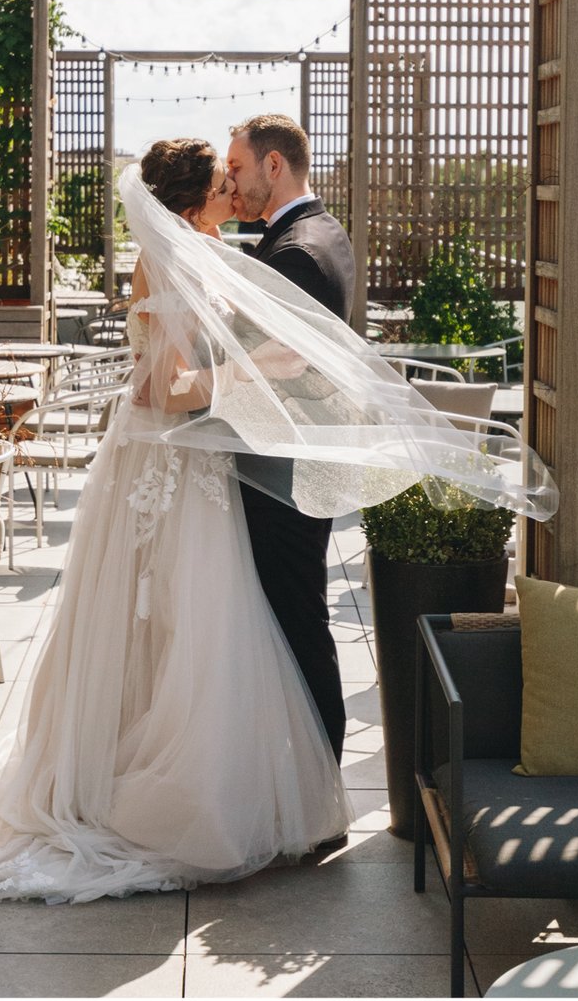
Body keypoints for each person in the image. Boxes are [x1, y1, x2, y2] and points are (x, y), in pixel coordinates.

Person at [0, 139, 553, 902]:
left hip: (198, 468)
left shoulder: (203, 249)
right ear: (196, 198)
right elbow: (164, 390)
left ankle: (211, 778)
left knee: (199, 628)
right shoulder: (166, 262)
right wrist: (252, 368)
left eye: (239, 172)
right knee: (179, 623)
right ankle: (169, 786)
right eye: (223, 180)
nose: (236, 187)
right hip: (169, 469)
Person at [222, 113, 359, 758]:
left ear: (273, 166)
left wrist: (202, 381)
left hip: (286, 466)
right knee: (291, 617)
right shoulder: (319, 233)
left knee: (298, 620)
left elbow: (284, 359)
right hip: (290, 459)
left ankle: (318, 782)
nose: (232, 181)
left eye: (239, 167)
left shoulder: (299, 251)